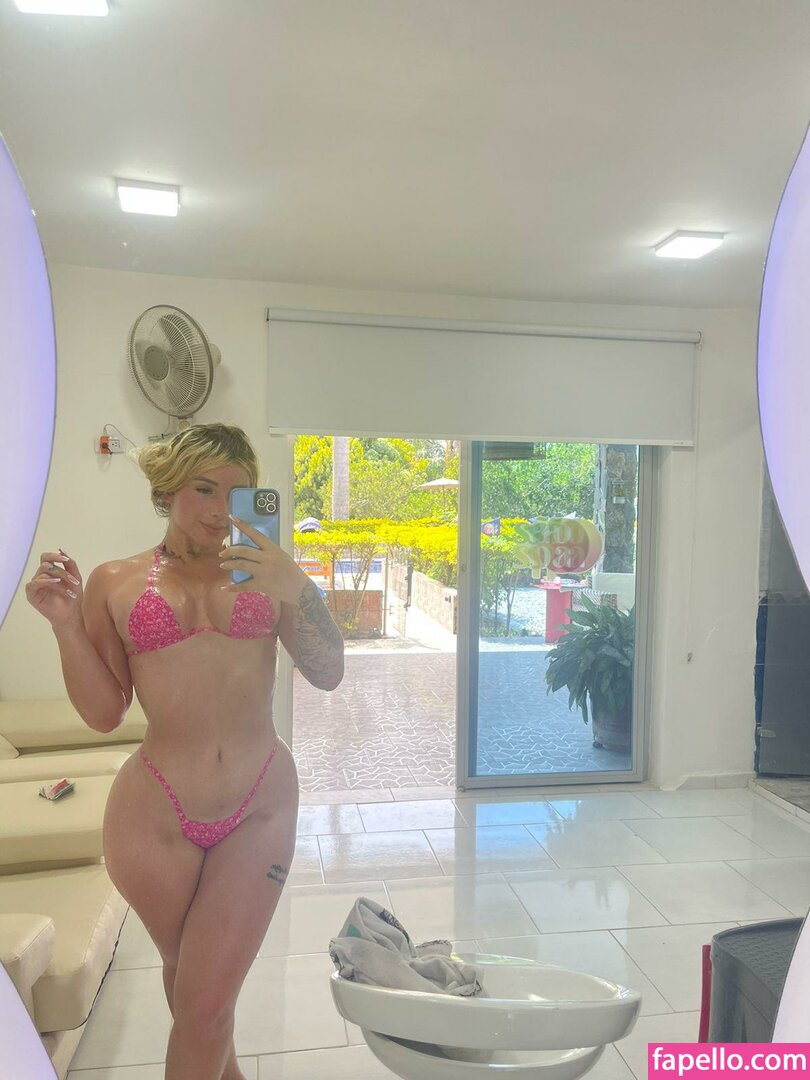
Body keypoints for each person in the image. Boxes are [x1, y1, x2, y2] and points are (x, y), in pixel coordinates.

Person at [25, 423, 344, 1080]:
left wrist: (299, 588)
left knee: (202, 1004)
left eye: (237, 493)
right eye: (204, 488)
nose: (221, 509)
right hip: (154, 817)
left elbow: (329, 672)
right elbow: (104, 712)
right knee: (198, 990)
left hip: (259, 805)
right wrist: (65, 625)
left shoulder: (268, 573)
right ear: (168, 489)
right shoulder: (115, 581)